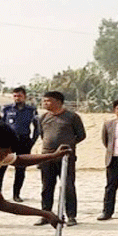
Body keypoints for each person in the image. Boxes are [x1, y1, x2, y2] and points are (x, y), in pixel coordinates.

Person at [34, 91, 86, 227]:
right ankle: (46, 214)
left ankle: (71, 216)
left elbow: (81, 135)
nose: (45, 103)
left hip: (65, 158)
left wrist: (67, 146)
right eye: (44, 101)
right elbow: (42, 135)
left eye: (48, 101)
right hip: (47, 157)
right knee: (46, 187)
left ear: (58, 102)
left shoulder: (72, 117)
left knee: (68, 186)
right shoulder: (43, 117)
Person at [0, 87, 40, 202]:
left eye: (19, 96)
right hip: (7, 142)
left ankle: (16, 194)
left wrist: (32, 141)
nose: (17, 98)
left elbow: (37, 127)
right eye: (15, 96)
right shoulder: (6, 109)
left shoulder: (31, 110)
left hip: (23, 141)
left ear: (24, 96)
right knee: (1, 168)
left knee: (20, 169)